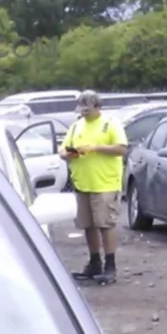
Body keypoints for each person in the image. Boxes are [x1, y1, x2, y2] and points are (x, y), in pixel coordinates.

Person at [61, 90, 128, 285]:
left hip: (105, 183)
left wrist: (95, 148)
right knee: (87, 225)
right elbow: (63, 149)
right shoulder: (75, 126)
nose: (84, 114)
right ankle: (94, 262)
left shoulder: (110, 124)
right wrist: (67, 154)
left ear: (98, 107)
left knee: (105, 224)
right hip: (82, 183)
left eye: (88, 110)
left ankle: (110, 266)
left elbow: (122, 149)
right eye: (82, 111)